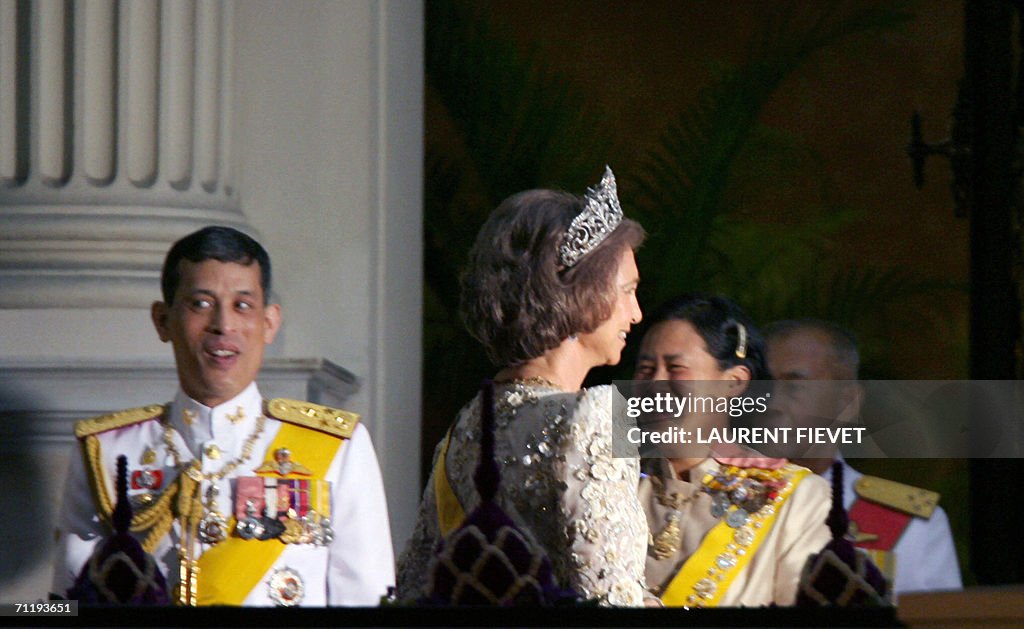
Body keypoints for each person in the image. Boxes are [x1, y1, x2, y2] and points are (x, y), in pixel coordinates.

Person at [52, 226, 395, 606]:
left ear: (269, 323)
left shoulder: (336, 448)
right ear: (163, 320)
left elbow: (366, 600)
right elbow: (64, 606)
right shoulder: (106, 452)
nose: (224, 326)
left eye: (242, 305)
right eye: (201, 303)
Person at [396, 167, 652, 606]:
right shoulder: (597, 418)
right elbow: (613, 597)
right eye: (626, 291)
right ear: (581, 292)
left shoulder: (466, 426)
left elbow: (415, 587)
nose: (637, 313)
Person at [632, 294, 832, 607]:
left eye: (675, 368)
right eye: (645, 369)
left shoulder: (796, 498)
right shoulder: (615, 482)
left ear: (735, 382)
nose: (655, 385)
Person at [764, 319, 962, 597]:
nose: (770, 402)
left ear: (847, 402)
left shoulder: (906, 522)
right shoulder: (713, 503)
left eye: (794, 386)